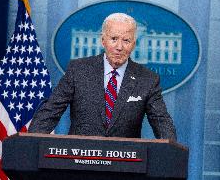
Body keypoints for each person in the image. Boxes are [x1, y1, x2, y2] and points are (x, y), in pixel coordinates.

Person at [28, 13, 177, 140]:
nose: (119, 47)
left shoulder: (148, 79)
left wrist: (171, 152)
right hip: (78, 162)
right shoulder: (78, 70)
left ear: (133, 44)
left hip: (125, 167)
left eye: (126, 40)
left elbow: (161, 121)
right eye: (114, 39)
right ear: (103, 40)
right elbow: (51, 112)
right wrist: (31, 143)